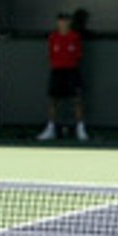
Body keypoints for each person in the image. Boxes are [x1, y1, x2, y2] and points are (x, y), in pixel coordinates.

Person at [37, 11, 88, 142]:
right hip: (57, 72)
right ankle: (50, 129)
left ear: (70, 23)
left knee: (76, 100)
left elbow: (78, 55)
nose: (63, 23)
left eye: (66, 21)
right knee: (53, 101)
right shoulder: (53, 37)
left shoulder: (75, 37)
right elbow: (51, 55)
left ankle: (81, 130)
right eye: (61, 21)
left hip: (72, 72)